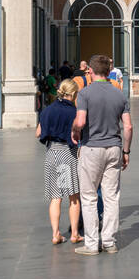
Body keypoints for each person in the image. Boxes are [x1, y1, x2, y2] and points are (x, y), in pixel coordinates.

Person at [71, 55, 132, 256]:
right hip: (114, 146)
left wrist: (75, 130)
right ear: (108, 71)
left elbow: (80, 122)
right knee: (111, 196)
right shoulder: (119, 94)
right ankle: (109, 241)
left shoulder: (85, 94)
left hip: (92, 147)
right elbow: (129, 127)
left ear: (90, 70)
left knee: (88, 197)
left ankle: (91, 243)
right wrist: (126, 151)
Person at [37, 78, 81, 244]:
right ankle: (75, 233)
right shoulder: (73, 112)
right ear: (73, 94)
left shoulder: (48, 110)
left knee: (55, 197)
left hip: (51, 154)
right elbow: (77, 133)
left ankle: (56, 234)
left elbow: (38, 133)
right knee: (73, 197)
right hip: (66, 156)